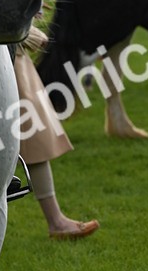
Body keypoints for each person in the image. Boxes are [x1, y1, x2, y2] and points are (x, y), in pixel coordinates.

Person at [13, 32, 99, 240]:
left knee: (33, 135)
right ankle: (56, 221)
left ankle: (56, 221)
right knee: (31, 133)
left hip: (10, 54)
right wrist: (19, 33)